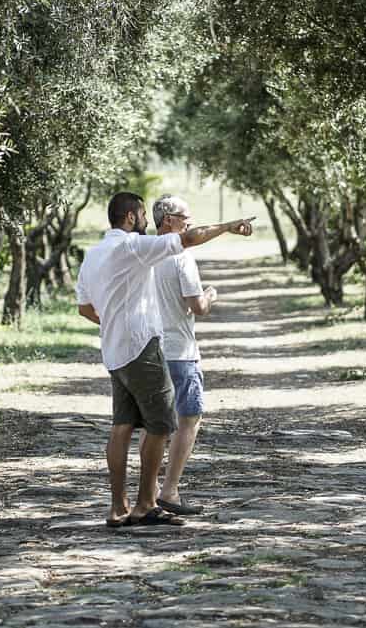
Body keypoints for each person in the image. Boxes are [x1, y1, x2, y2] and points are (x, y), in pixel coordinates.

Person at [76, 191, 253, 528]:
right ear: (130, 217)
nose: (145, 221)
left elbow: (85, 307)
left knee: (121, 427)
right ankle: (145, 504)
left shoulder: (93, 254)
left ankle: (118, 509)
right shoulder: (132, 247)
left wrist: (113, 322)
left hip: (114, 352)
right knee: (160, 426)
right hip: (142, 347)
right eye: (142, 215)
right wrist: (229, 226)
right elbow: (187, 239)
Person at [151, 194, 214, 516]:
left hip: (148, 350)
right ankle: (170, 490)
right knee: (189, 419)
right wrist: (210, 295)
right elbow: (197, 307)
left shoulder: (142, 254)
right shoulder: (182, 257)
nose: (189, 220)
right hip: (181, 351)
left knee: (155, 425)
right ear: (168, 220)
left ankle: (146, 496)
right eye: (184, 216)